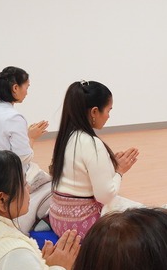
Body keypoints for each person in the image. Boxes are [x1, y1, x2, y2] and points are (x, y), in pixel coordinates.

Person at [46, 80, 145, 237]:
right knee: (144, 217)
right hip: (81, 225)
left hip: (58, 220)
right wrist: (119, 171)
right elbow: (104, 195)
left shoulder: (67, 137)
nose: (108, 116)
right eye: (108, 110)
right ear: (94, 112)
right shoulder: (92, 143)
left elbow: (81, 177)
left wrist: (110, 167)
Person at [0, 67, 51, 233]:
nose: (27, 92)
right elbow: (21, 158)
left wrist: (27, 135)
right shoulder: (14, 117)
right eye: (27, 87)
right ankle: (39, 220)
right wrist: (31, 137)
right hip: (6, 176)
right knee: (54, 188)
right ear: (15, 88)